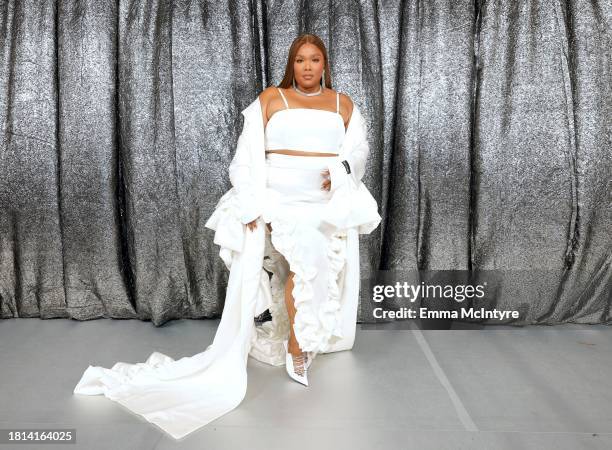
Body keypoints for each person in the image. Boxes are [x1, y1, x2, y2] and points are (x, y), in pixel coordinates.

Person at [73, 33, 380, 440]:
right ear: (293, 64)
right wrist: (252, 203)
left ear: (325, 64)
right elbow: (245, 157)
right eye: (301, 60)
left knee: (314, 265)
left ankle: (301, 338)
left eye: (316, 60)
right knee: (302, 261)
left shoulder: (343, 104)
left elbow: (358, 151)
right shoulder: (271, 99)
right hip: (280, 200)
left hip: (323, 204)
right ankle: (297, 348)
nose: (308, 67)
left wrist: (341, 171)